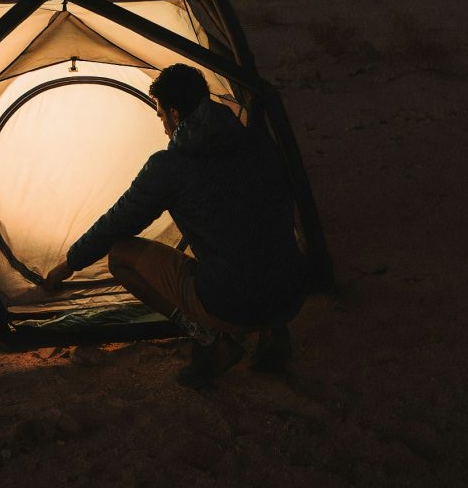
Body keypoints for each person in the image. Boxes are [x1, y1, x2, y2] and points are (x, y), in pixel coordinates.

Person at [38, 63, 309, 387]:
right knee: (256, 236)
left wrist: (70, 264)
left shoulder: (171, 167)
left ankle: (210, 339)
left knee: (121, 256)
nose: (163, 126)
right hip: (292, 291)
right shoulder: (257, 141)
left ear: (176, 115)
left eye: (161, 116)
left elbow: (117, 222)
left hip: (231, 302)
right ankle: (274, 335)